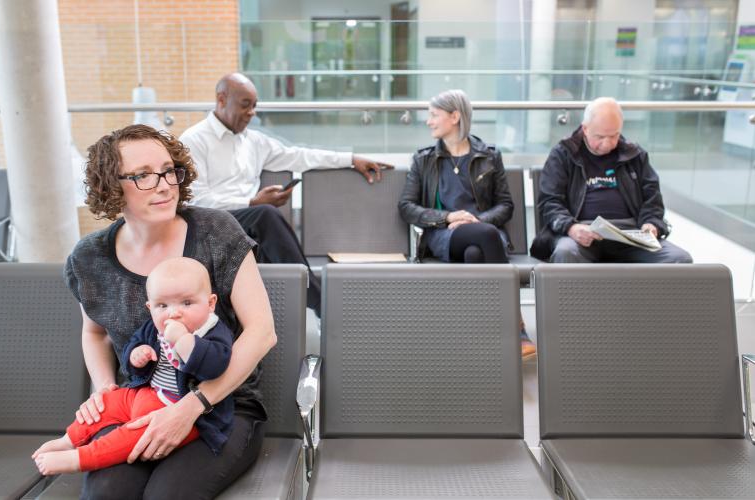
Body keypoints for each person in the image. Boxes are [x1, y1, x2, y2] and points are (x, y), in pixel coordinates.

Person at [61, 124, 276, 499]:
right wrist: (105, 387)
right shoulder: (90, 256)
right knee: (106, 494)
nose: (163, 184)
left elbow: (262, 332)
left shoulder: (216, 230)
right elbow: (95, 332)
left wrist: (192, 406)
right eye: (142, 175)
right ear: (111, 187)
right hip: (141, 401)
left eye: (167, 170)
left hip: (222, 406)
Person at [179, 72, 392, 316]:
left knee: (265, 230)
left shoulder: (254, 142)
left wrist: (351, 159)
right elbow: (195, 200)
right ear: (221, 99)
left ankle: (300, 314)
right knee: (265, 214)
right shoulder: (194, 140)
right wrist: (251, 202)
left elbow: (300, 155)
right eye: (245, 105)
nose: (252, 113)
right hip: (211, 223)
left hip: (247, 226)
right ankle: (321, 303)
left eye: (255, 106)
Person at [33, 257, 235, 475]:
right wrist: (136, 357)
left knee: (132, 434)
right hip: (144, 393)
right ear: (150, 308)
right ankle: (69, 439)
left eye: (187, 303)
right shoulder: (152, 328)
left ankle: (81, 459)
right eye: (162, 306)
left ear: (210, 303)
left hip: (177, 410)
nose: (174, 313)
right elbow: (132, 354)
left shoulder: (212, 331)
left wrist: (184, 341)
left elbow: (215, 367)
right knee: (107, 402)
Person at [398, 89, 536, 359]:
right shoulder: (423, 158)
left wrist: (478, 219)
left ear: (455, 116)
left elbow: (505, 204)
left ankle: (482, 333)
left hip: (485, 234)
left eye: (434, 115)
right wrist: (447, 217)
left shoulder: (488, 156)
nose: (428, 121)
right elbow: (406, 207)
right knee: (485, 236)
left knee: (476, 251)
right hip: (443, 235)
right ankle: (515, 329)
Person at [531, 97, 692, 264]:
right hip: (583, 233)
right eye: (600, 137)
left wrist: (651, 223)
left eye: (614, 136)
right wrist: (571, 227)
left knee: (679, 260)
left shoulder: (634, 155)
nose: (607, 144)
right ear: (585, 129)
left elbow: (653, 200)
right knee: (566, 253)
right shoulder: (564, 154)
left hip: (631, 235)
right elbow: (550, 202)